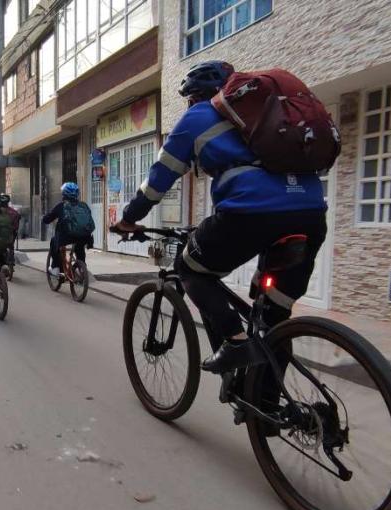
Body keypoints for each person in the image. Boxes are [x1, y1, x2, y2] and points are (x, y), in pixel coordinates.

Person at [113, 60, 327, 374]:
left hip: (251, 214)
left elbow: (160, 177)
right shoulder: (269, 113)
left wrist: (129, 219)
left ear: (195, 96)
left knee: (190, 268)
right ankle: (269, 411)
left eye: (188, 99)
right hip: (310, 214)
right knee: (273, 318)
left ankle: (236, 342)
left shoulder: (199, 115)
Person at [42, 183, 93, 276]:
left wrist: (44, 219)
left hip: (66, 237)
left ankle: (55, 267)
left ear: (64, 194)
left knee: (54, 242)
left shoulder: (61, 206)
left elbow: (47, 219)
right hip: (85, 236)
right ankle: (81, 267)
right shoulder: (83, 205)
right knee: (80, 247)